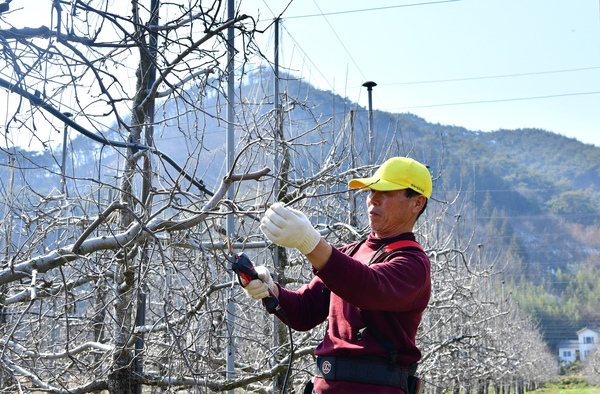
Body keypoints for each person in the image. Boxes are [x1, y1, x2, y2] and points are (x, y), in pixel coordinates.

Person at [245, 156, 432, 394]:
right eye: (372, 191)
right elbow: (304, 311)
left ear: (417, 203)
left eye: (386, 192)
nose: (373, 198)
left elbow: (367, 287)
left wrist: (310, 243)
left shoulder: (413, 263)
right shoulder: (351, 253)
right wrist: (270, 289)